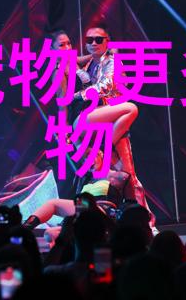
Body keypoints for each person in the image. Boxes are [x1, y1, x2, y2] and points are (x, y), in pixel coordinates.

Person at [71, 26, 154, 224]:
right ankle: (94, 222)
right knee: (96, 175)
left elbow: (106, 85)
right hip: (94, 122)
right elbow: (72, 59)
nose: (93, 43)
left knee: (128, 175)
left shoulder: (113, 61)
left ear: (107, 41)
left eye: (98, 40)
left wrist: (77, 95)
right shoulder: (89, 63)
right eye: (89, 40)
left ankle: (146, 221)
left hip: (112, 122)